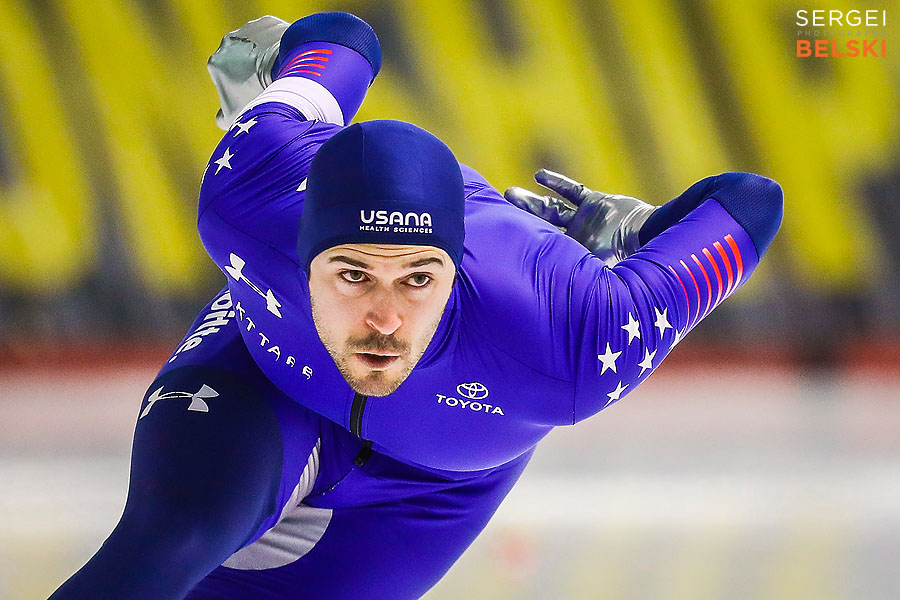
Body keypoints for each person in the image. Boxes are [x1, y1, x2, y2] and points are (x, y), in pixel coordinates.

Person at [48, 11, 783, 600]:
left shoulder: (579, 334)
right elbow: (345, 35)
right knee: (170, 543)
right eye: (353, 275)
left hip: (431, 483)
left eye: (418, 280)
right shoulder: (251, 192)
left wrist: (640, 239)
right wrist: (275, 82)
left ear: (456, 269)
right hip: (267, 384)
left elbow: (753, 202)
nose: (384, 320)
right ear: (301, 253)